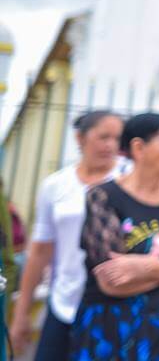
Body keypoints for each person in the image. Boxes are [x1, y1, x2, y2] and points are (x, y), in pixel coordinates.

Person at [70, 112, 159, 359]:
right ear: (139, 148)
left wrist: (145, 266)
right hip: (112, 330)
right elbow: (112, 281)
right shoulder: (103, 197)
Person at [10, 110, 125, 359]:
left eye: (117, 138)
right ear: (80, 138)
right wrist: (21, 313)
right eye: (103, 137)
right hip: (64, 301)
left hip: (114, 304)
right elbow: (40, 250)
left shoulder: (126, 181)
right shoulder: (55, 185)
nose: (110, 145)